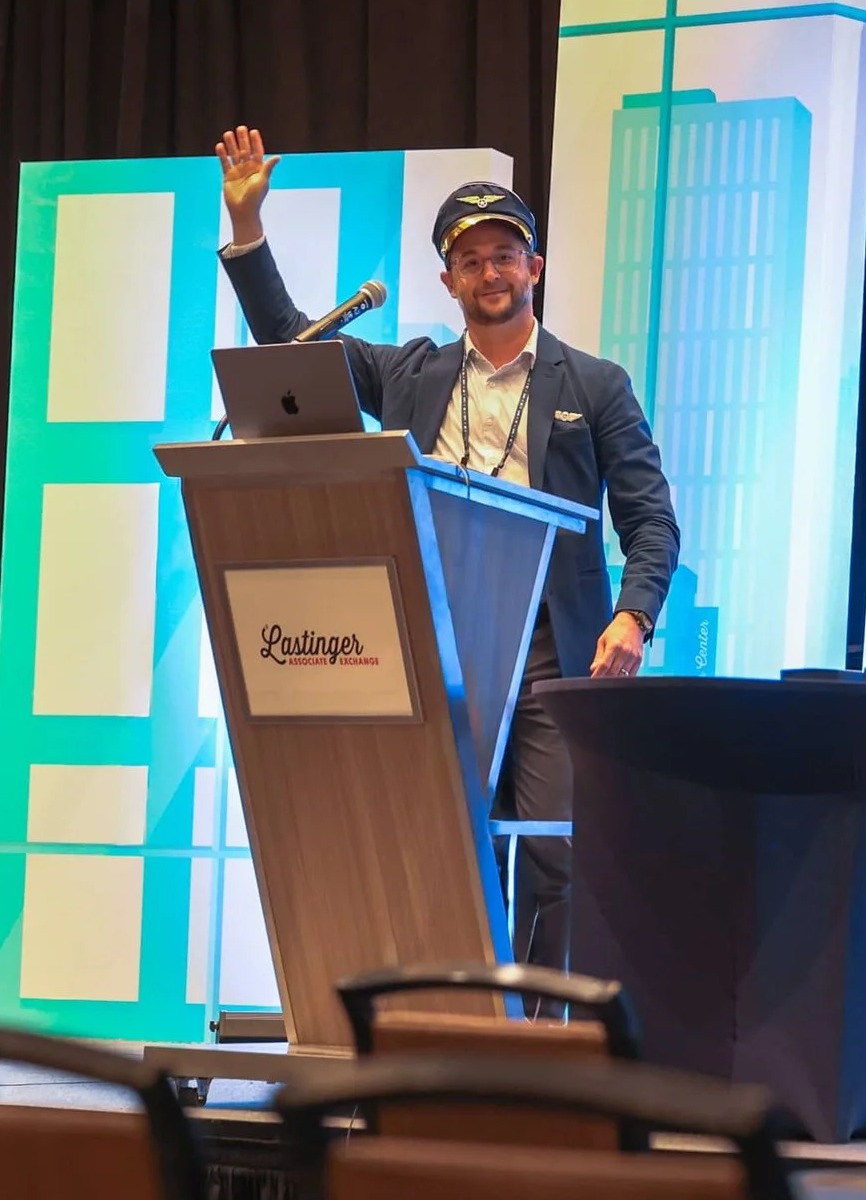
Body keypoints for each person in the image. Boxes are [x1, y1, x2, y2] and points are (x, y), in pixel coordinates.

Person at [213, 125, 680, 981]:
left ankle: (542, 1033)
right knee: (443, 849)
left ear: (534, 267)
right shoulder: (412, 373)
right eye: (469, 261)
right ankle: (453, 1023)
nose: (489, 272)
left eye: (504, 256)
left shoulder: (595, 384)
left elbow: (651, 520)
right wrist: (248, 227)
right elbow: (291, 341)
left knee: (554, 851)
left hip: (551, 652)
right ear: (448, 281)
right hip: (430, 643)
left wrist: (633, 617)